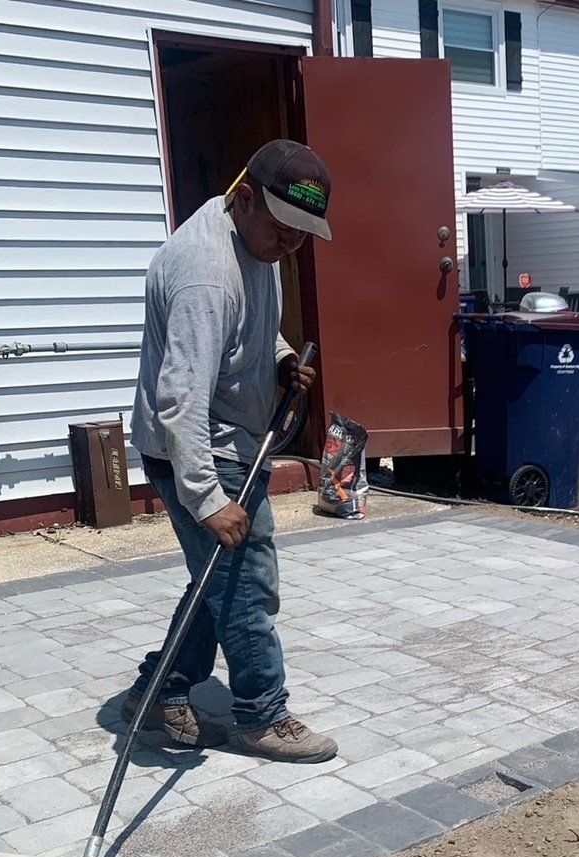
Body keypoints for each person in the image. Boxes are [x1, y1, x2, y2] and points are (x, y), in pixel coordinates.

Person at [125, 139, 337, 763]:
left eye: (303, 233)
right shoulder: (204, 275)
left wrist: (277, 361)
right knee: (246, 583)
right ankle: (262, 714)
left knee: (215, 583)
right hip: (198, 447)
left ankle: (158, 690)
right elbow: (179, 401)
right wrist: (206, 497)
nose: (291, 245)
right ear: (244, 198)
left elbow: (252, 321)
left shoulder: (255, 239)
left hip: (227, 438)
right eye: (283, 230)